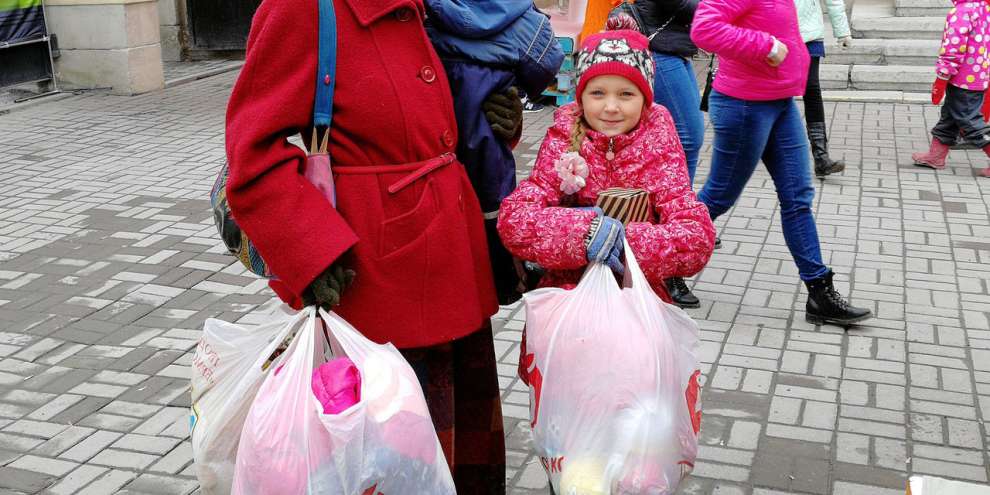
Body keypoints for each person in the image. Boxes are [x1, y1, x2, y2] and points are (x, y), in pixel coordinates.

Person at [223, 0, 515, 491]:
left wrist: (485, 120)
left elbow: (418, 116)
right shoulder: (300, 10)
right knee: (391, 460)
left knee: (461, 461)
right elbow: (252, 151)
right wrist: (311, 249)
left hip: (451, 274)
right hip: (377, 293)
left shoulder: (432, 6)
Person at [498, 16, 716, 386]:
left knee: (632, 422)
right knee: (571, 426)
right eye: (598, 93)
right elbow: (515, 220)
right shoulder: (564, 137)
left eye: (626, 94)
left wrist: (625, 243)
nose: (611, 107)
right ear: (580, 96)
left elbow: (696, 236)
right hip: (567, 318)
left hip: (640, 314)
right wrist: (584, 234)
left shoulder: (658, 143)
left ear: (645, 97)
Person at [691, 0, 873, 327]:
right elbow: (704, 28)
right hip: (745, 105)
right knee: (719, 196)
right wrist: (766, 45)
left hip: (780, 102)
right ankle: (659, 264)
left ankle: (820, 293)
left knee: (798, 197)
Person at [424, 0, 564, 304]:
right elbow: (549, 57)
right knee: (493, 185)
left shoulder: (427, 15)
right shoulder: (514, 9)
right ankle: (506, 269)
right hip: (485, 105)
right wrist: (518, 84)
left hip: (433, 134)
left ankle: (500, 268)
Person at [633, 0, 707, 308]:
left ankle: (671, 236)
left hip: (673, 46)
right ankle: (669, 248)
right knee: (687, 138)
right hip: (659, 47)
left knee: (686, 139)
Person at [911, 0, 990, 176]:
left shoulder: (962, 11)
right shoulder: (984, 7)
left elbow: (953, 46)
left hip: (963, 76)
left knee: (970, 121)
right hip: (978, 73)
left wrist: (942, 75)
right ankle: (935, 156)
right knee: (950, 117)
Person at [795, 0, 852, 178]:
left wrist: (842, 31)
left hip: (810, 32)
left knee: (811, 89)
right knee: (775, 91)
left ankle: (821, 157)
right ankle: (761, 143)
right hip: (777, 32)